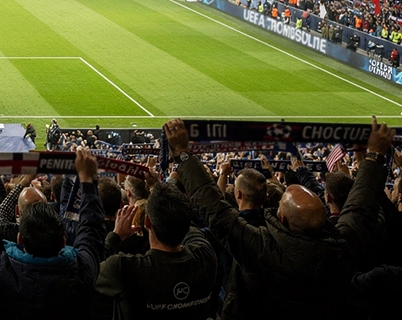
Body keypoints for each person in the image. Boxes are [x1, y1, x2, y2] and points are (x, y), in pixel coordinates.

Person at [164, 116, 391, 318]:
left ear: (282, 219)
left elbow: (215, 211)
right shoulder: (342, 250)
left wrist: (183, 155)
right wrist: (373, 158)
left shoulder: (262, 251)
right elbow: (360, 208)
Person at [0, 146, 105, 315]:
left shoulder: (2, 273)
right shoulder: (83, 270)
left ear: (19, 239)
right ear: (64, 241)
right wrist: (87, 181)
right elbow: (92, 229)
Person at [94, 183, 218, 319]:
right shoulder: (205, 255)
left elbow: (90, 272)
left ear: (147, 222)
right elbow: (187, 225)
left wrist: (115, 236)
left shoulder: (123, 268)